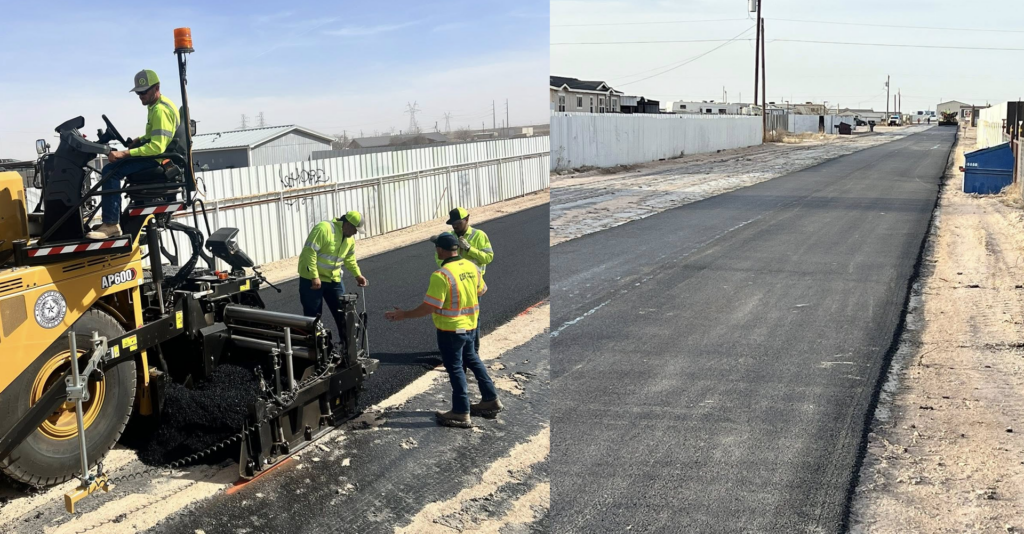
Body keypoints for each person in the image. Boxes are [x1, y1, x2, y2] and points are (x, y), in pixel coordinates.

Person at [386, 232, 502, 428]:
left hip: (451, 330)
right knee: (472, 358)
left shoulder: (442, 275)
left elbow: (430, 306)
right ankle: (490, 399)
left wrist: (404, 314)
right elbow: (482, 290)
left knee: (455, 368)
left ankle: (460, 412)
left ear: (440, 249)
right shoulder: (471, 266)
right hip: (471, 326)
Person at [88, 70, 183, 239]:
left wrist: (124, 153)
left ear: (156, 88)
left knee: (111, 171)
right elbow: (157, 135)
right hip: (158, 155)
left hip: (157, 159)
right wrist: (141, 139)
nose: (140, 96)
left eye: (144, 92)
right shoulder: (157, 105)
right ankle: (111, 221)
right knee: (112, 168)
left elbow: (156, 148)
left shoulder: (160, 110)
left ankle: (111, 224)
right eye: (138, 92)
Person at [298, 211, 369, 333]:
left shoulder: (349, 240)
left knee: (344, 314)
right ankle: (317, 348)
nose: (355, 233)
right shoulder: (323, 229)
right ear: (347, 224)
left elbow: (350, 259)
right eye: (355, 229)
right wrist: (314, 276)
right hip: (312, 280)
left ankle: (348, 347)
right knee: (313, 317)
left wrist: (358, 275)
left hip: (334, 280)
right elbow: (309, 252)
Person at [436, 207, 494, 354]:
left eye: (457, 222)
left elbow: (488, 257)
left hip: (473, 285)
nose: (454, 226)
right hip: (454, 285)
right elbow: (438, 258)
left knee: (473, 318)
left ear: (467, 219)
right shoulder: (448, 237)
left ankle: (473, 350)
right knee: (455, 318)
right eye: (452, 223)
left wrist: (469, 249)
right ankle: (457, 348)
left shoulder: (479, 235)